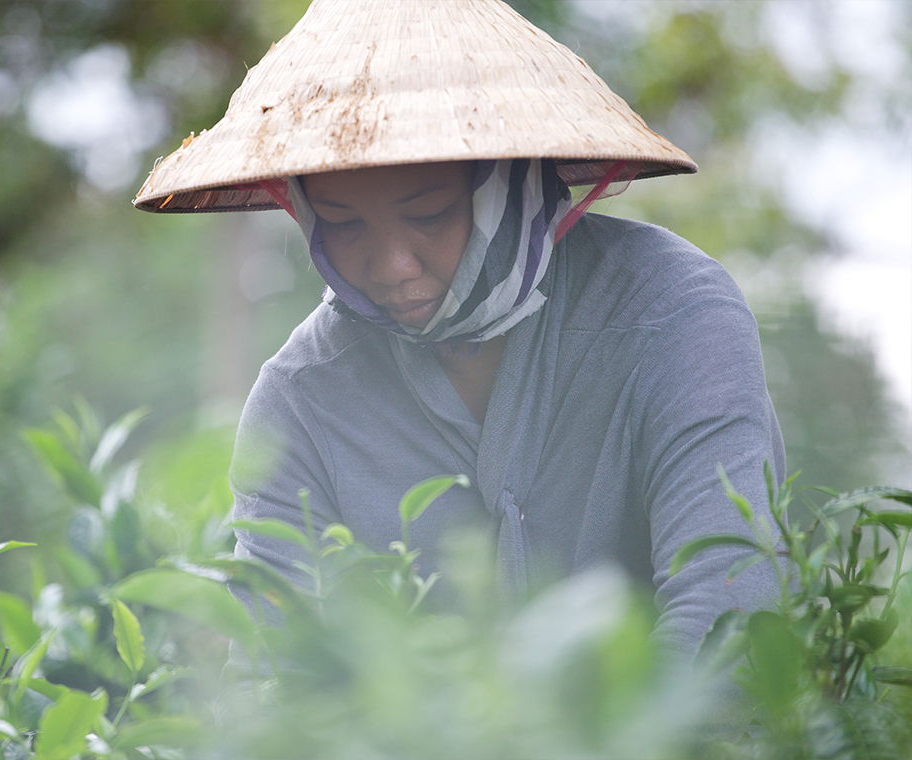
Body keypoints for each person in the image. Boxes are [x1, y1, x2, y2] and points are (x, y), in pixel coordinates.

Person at [134, 0, 784, 659]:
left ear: (512, 186)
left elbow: (725, 621)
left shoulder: (672, 315)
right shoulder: (299, 406)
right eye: (346, 226)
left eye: (430, 213)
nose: (391, 266)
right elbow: (273, 682)